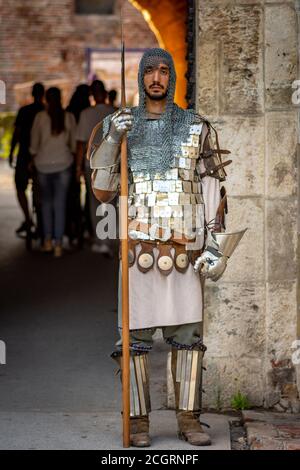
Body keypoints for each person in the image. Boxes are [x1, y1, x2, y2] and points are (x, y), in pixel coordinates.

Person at [89, 49, 243, 447]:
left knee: (189, 341)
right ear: (140, 77)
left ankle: (189, 420)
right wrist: (113, 139)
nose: (156, 77)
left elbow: (213, 194)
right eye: (150, 71)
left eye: (163, 70)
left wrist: (215, 248)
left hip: (184, 254)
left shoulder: (196, 127)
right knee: (135, 342)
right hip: (138, 252)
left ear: (171, 78)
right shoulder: (119, 125)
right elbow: (103, 193)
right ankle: (138, 422)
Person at [30, 87, 76, 257]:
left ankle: (47, 241)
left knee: (46, 205)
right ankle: (58, 244)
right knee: (60, 205)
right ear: (61, 99)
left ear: (46, 100)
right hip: (63, 164)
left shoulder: (40, 117)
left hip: (43, 165)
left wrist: (32, 159)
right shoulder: (69, 117)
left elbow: (34, 144)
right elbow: (73, 144)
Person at [76, 80, 115, 256]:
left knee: (94, 203)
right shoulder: (114, 113)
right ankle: (108, 240)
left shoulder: (85, 114)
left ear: (92, 95)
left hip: (92, 164)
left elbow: (81, 143)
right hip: (112, 163)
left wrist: (77, 167)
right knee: (111, 202)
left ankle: (101, 240)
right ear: (105, 94)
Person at [9, 82, 45, 236]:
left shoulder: (25, 111)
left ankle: (28, 218)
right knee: (40, 190)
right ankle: (40, 220)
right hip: (42, 155)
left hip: (25, 154)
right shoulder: (47, 111)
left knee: (20, 187)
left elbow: (17, 133)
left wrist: (12, 152)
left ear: (32, 94)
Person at [66, 84, 91, 246]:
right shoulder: (86, 112)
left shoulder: (69, 111)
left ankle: (73, 226)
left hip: (70, 156)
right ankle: (87, 223)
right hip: (84, 156)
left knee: (72, 194)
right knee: (90, 192)